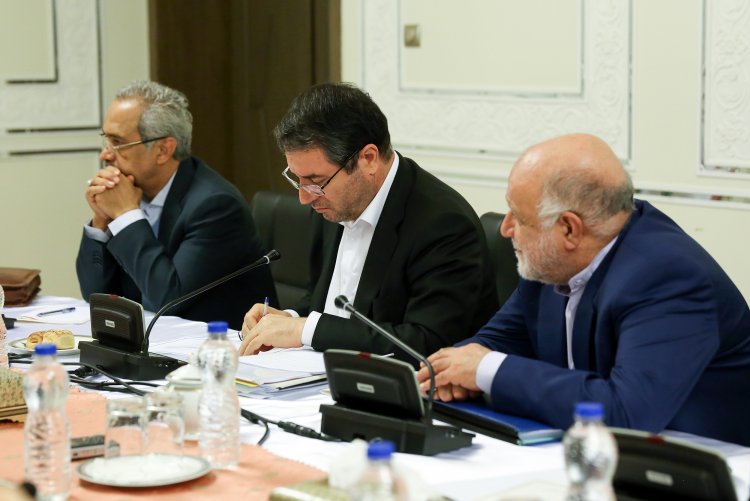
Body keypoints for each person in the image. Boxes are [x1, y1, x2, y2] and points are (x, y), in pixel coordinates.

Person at [418, 133, 750, 446]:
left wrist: (485, 370)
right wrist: (451, 373)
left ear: (569, 228)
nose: (505, 229)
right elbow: (493, 343)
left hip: (702, 461)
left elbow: (626, 413)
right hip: (584, 448)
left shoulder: (667, 277)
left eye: (518, 217)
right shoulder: (550, 261)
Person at [239, 83, 498, 361]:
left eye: (315, 181)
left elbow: (425, 343)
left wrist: (306, 329)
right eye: (296, 179)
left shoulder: (443, 225)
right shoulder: (331, 202)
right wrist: (287, 320)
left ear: (369, 159)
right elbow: (326, 302)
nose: (305, 197)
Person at [76, 80, 277, 329]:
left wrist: (126, 215)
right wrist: (101, 221)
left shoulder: (215, 206)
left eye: (118, 143)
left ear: (163, 150)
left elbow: (168, 300)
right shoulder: (132, 192)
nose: (105, 155)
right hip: (156, 341)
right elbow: (95, 295)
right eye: (106, 141)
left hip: (220, 345)